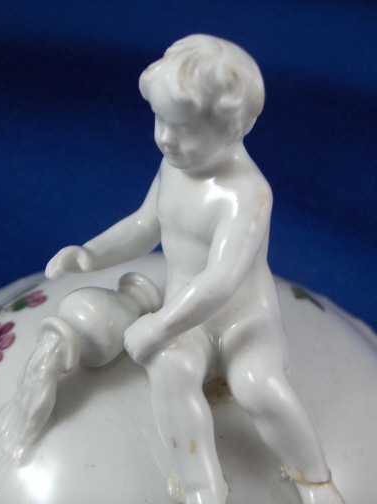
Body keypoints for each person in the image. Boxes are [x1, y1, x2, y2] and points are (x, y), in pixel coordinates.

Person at [46, 34, 345, 504]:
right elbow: (144, 224)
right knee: (169, 369)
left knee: (258, 388)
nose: (166, 137)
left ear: (233, 128)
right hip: (187, 318)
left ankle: (315, 480)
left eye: (184, 128)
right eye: (160, 120)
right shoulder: (174, 169)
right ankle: (202, 486)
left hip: (245, 323)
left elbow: (221, 280)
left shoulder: (246, 194)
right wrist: (91, 254)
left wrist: (158, 325)